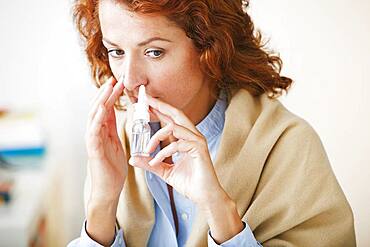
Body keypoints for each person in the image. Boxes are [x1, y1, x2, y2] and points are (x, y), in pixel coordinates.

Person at [68, 0, 356, 246]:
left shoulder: (287, 146)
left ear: (209, 46)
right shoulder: (114, 141)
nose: (130, 80)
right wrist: (103, 201)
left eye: (154, 52)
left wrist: (219, 209)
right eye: (116, 51)